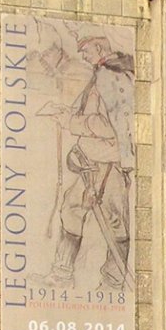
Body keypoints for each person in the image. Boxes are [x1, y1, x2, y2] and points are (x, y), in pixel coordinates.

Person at [40, 33, 135, 291]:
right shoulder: (102, 74)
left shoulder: (113, 77)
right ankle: (62, 275)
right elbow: (90, 112)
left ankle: (113, 282)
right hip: (92, 159)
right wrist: (67, 114)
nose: (83, 55)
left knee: (114, 221)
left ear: (100, 48)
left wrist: (71, 123)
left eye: (86, 50)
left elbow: (109, 126)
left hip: (108, 162)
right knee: (72, 209)